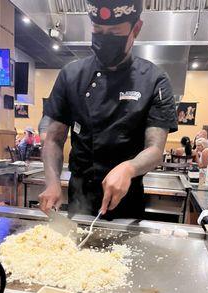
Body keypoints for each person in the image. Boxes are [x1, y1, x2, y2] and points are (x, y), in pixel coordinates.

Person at [39, 0, 178, 219]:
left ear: (136, 29)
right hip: (79, 202)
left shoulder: (154, 80)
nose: (104, 38)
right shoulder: (71, 75)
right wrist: (52, 182)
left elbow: (155, 150)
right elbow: (54, 139)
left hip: (127, 205)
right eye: (98, 31)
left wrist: (129, 168)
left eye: (114, 32)